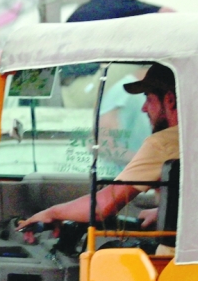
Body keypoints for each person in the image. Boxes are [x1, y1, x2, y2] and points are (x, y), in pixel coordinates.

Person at [18, 62, 179, 251]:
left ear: (169, 100)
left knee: (106, 254)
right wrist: (166, 214)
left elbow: (103, 206)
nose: (143, 108)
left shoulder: (163, 143)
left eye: (149, 99)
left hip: (174, 259)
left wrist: (53, 212)